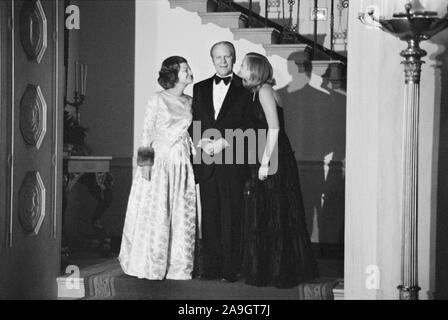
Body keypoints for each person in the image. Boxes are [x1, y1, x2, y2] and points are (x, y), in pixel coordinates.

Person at [238, 52, 319, 288]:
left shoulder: (263, 90)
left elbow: (274, 128)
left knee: (274, 213)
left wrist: (265, 162)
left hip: (272, 155)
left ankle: (275, 272)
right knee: (272, 212)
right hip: (268, 154)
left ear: (254, 69)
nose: (240, 67)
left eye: (243, 64)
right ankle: (271, 270)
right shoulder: (259, 91)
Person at [119, 56, 197, 280]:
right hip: (160, 161)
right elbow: (147, 132)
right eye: (185, 69)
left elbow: (193, 134)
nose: (190, 71)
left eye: (189, 67)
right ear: (173, 74)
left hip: (181, 161)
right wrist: (145, 165)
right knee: (157, 211)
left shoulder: (191, 101)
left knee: (180, 210)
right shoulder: (157, 99)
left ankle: (177, 266)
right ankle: (152, 263)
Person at [190, 41, 252, 282]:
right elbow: (195, 121)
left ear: (234, 58)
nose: (223, 61)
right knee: (210, 216)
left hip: (233, 160)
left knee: (233, 215)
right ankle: (211, 268)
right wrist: (201, 143)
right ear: (212, 59)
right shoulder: (200, 88)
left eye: (227, 56)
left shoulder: (246, 88)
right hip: (206, 160)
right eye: (218, 57)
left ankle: (231, 269)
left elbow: (250, 124)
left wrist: (226, 142)